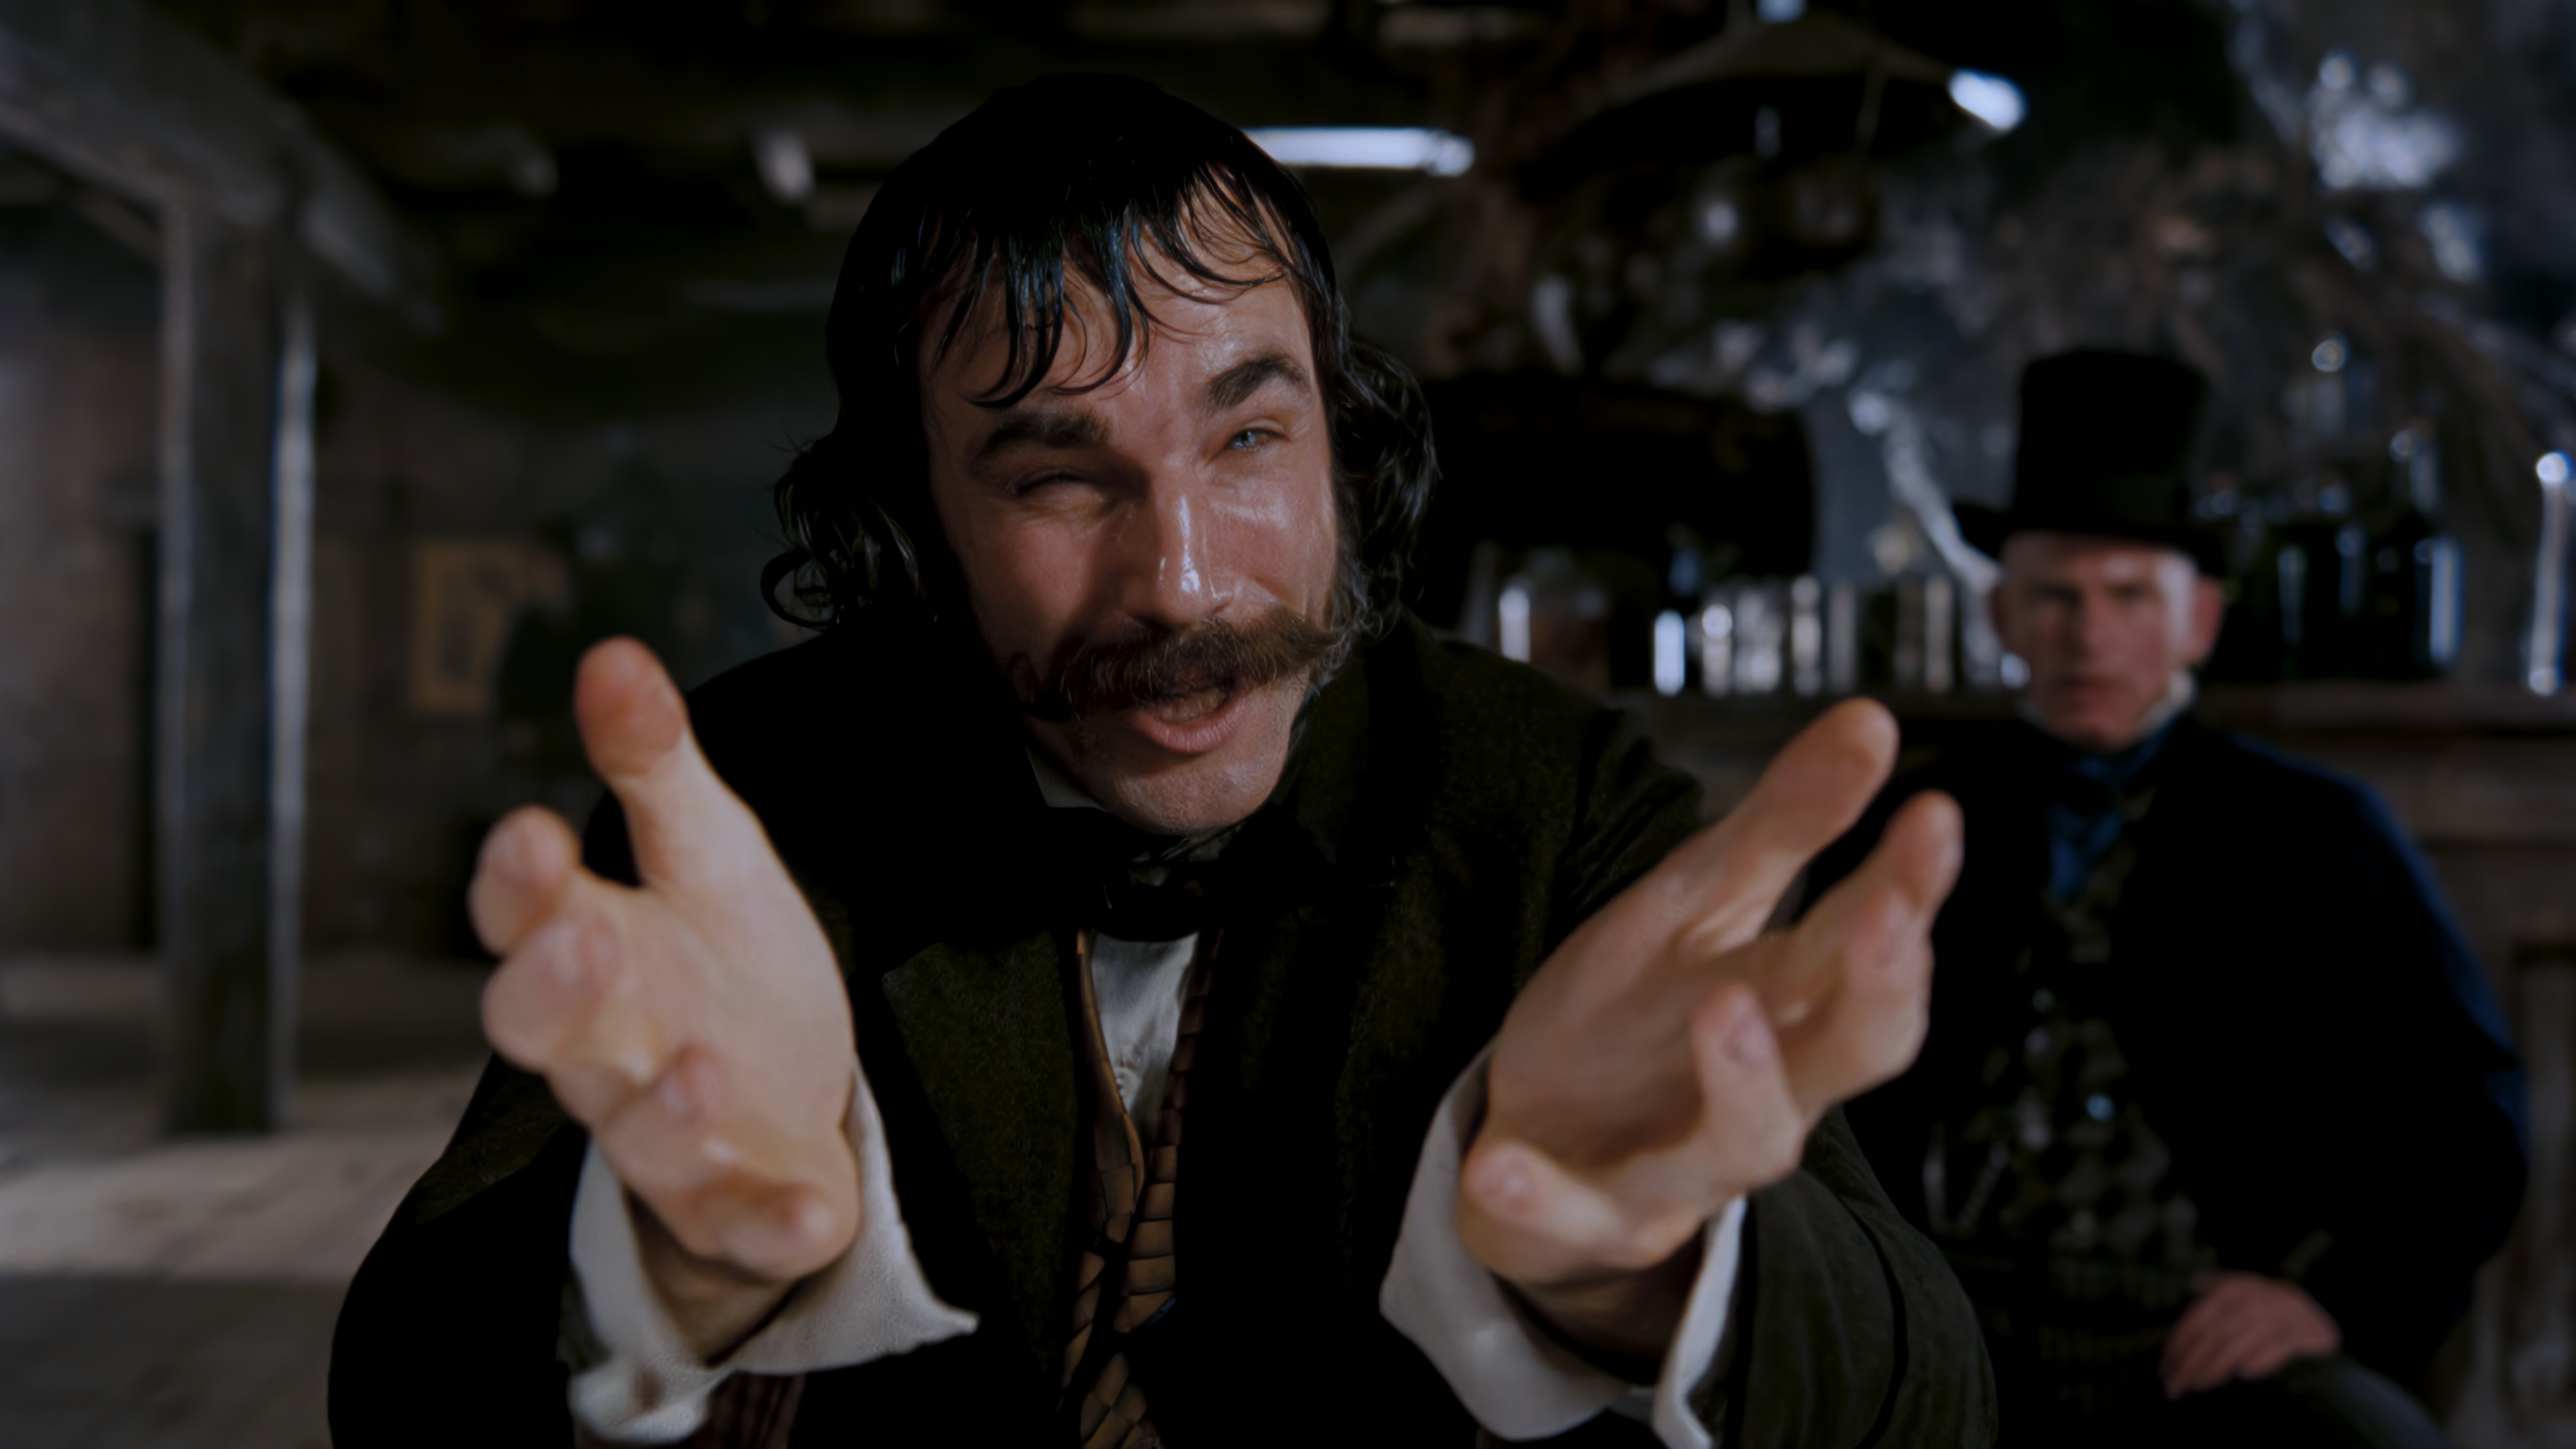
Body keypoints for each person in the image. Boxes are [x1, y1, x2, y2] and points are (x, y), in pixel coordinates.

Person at [328, 76, 1996, 1447]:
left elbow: (1932, 1405)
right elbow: (401, 1396)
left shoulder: (1549, 798)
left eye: (1250, 437)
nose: (1183, 584)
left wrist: (1654, 1277)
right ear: (911, 532)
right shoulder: (742, 804)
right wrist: (665, 1277)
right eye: (1059, 479)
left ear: (1342, 449)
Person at [1811, 350, 2528, 1447]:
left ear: (2198, 620)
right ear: (2002, 614)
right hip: (1939, 1309)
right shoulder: (1906, 817)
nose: (2089, 636)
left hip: (2191, 1325)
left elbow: (2465, 1119)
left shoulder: (2320, 833)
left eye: (2129, 596)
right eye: (2055, 596)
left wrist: (2331, 1302)